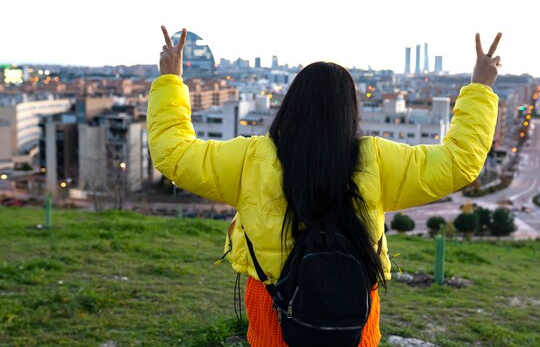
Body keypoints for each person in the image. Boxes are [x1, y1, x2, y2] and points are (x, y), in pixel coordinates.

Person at [147, 26, 501, 346]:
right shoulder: (376, 160)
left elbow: (174, 153)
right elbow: (459, 162)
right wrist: (481, 88)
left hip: (274, 306)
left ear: (292, 104)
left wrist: (171, 80)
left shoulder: (250, 158)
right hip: (351, 308)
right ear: (350, 110)